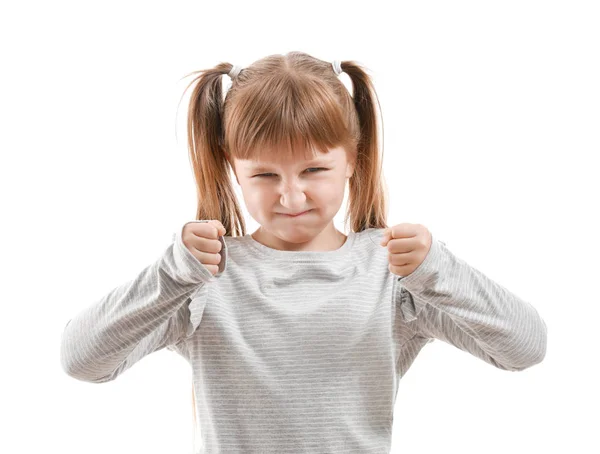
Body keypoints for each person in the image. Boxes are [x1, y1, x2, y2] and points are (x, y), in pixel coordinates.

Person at [60, 51, 548, 453]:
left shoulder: (391, 275)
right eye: (265, 175)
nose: (291, 197)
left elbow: (525, 348)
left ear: (352, 159)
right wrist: (171, 275)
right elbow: (83, 361)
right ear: (234, 168)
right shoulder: (205, 279)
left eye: (314, 171)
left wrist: (438, 270)